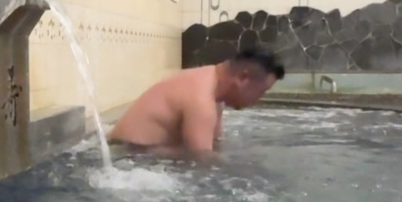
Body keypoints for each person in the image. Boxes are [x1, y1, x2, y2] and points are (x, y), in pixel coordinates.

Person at [108, 45, 285, 156]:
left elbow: (214, 144)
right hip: (125, 158)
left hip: (133, 156)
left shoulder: (213, 93)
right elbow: (203, 163)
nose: (258, 98)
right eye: (262, 91)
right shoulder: (202, 100)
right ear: (243, 79)